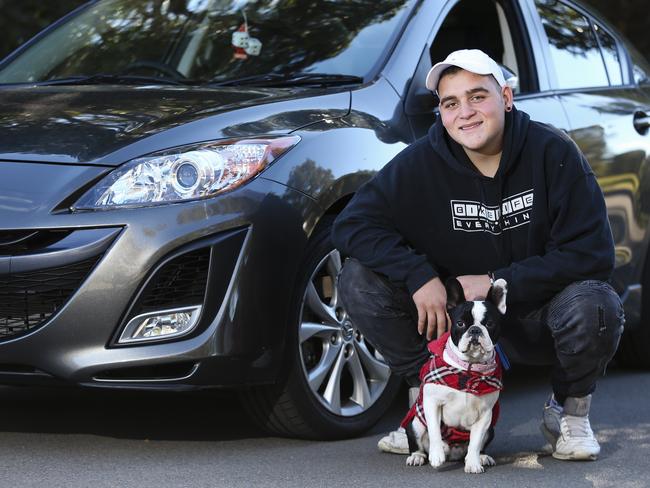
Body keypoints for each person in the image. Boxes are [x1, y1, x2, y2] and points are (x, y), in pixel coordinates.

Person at [331, 49, 624, 461]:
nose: (464, 113)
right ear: (441, 112)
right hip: (453, 325)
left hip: (538, 313)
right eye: (451, 103)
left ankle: (569, 413)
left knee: (597, 305)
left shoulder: (553, 152)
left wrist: (495, 282)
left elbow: (593, 253)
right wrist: (418, 275)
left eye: (477, 96)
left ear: (506, 97)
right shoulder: (419, 164)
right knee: (357, 280)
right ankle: (429, 404)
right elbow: (351, 225)